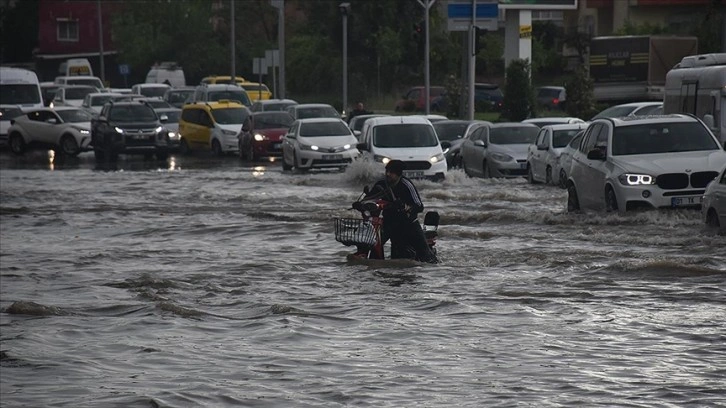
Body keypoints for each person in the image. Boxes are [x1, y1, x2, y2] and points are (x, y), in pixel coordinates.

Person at [361, 160, 438, 263]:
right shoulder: (381, 184)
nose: (388, 174)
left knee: (427, 258)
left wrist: (405, 206)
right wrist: (361, 204)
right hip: (388, 223)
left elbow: (419, 206)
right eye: (387, 171)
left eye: (391, 172)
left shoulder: (406, 185)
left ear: (399, 174)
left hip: (408, 224)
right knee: (373, 244)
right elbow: (370, 199)